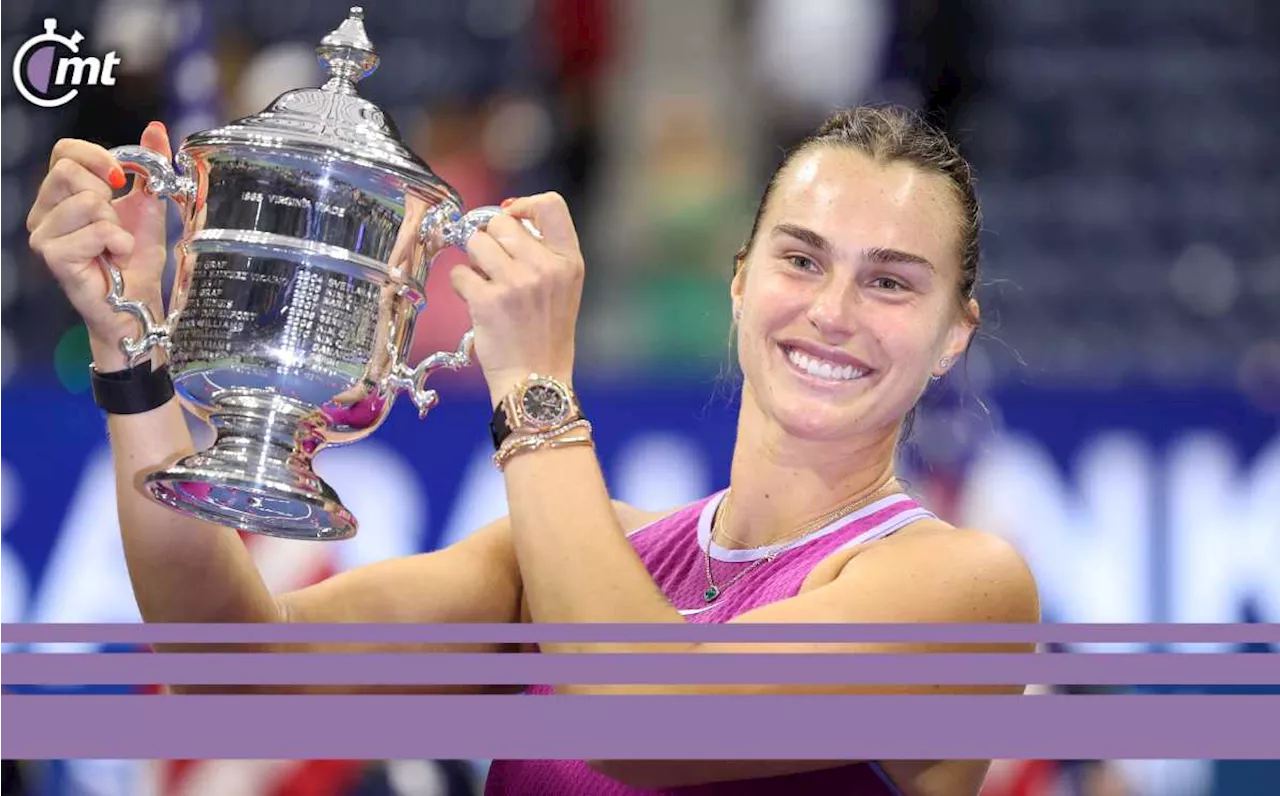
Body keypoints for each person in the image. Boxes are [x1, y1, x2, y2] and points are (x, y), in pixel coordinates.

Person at [27, 106, 1040, 796]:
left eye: (891, 282)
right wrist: (129, 342)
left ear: (955, 331)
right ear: (739, 280)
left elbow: (648, 720)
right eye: (801, 258)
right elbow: (232, 668)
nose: (830, 312)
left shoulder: (962, 586)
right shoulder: (569, 561)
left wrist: (532, 385)